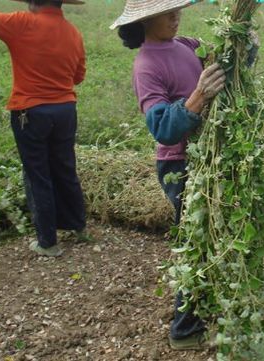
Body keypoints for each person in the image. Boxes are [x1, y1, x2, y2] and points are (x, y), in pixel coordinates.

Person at [111, 0, 228, 351]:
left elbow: (224, 66)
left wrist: (243, 44)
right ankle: (184, 328)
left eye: (177, 9)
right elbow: (162, 128)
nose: (175, 16)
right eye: (166, 12)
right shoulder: (146, 65)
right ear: (145, 19)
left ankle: (210, 306)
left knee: (215, 236)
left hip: (207, 156)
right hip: (179, 164)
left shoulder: (189, 45)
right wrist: (198, 96)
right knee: (195, 244)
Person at [0, 0, 89, 257]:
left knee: (38, 174)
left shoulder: (21, 23)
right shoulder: (72, 31)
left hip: (31, 112)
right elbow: (78, 76)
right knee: (65, 168)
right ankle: (78, 227)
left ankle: (48, 242)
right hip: (65, 110)